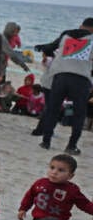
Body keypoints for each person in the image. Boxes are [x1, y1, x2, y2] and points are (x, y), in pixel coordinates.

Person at [38, 18, 93, 155]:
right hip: (81, 79)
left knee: (53, 109)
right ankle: (71, 145)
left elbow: (50, 48)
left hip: (60, 76)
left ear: (81, 25)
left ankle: (46, 141)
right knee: (79, 113)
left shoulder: (66, 34)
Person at [18, 154, 93, 220]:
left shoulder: (72, 190)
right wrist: (23, 208)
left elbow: (84, 204)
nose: (54, 172)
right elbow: (29, 196)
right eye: (52, 168)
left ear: (70, 176)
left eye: (60, 170)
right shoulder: (40, 183)